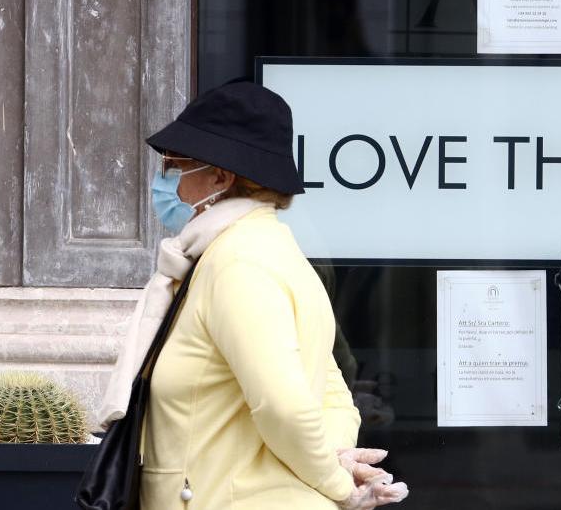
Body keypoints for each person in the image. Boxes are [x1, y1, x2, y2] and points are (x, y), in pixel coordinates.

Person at [99, 80, 408, 509]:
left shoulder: (237, 263)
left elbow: (284, 407)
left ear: (220, 178)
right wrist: (335, 459)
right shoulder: (271, 252)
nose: (164, 180)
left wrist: (340, 486)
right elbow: (333, 391)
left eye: (174, 166)